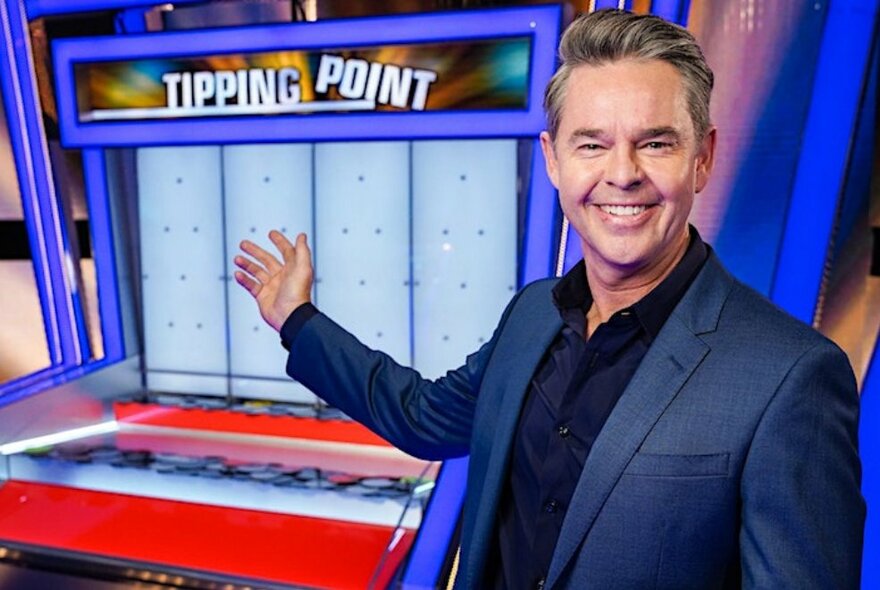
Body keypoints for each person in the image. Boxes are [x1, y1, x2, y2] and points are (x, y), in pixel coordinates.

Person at [233, 9, 865, 589]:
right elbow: (423, 417)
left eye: (656, 143)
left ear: (702, 159)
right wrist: (297, 319)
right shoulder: (533, 313)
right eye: (591, 143)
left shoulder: (791, 377)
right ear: (554, 160)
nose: (622, 173)